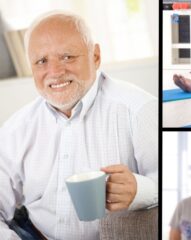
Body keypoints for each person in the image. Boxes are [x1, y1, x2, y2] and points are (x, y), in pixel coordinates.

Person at [0, 11, 158, 239]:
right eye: (42, 61)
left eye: (67, 57)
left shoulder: (139, 110)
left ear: (95, 56)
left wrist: (139, 189)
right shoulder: (16, 129)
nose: (54, 72)